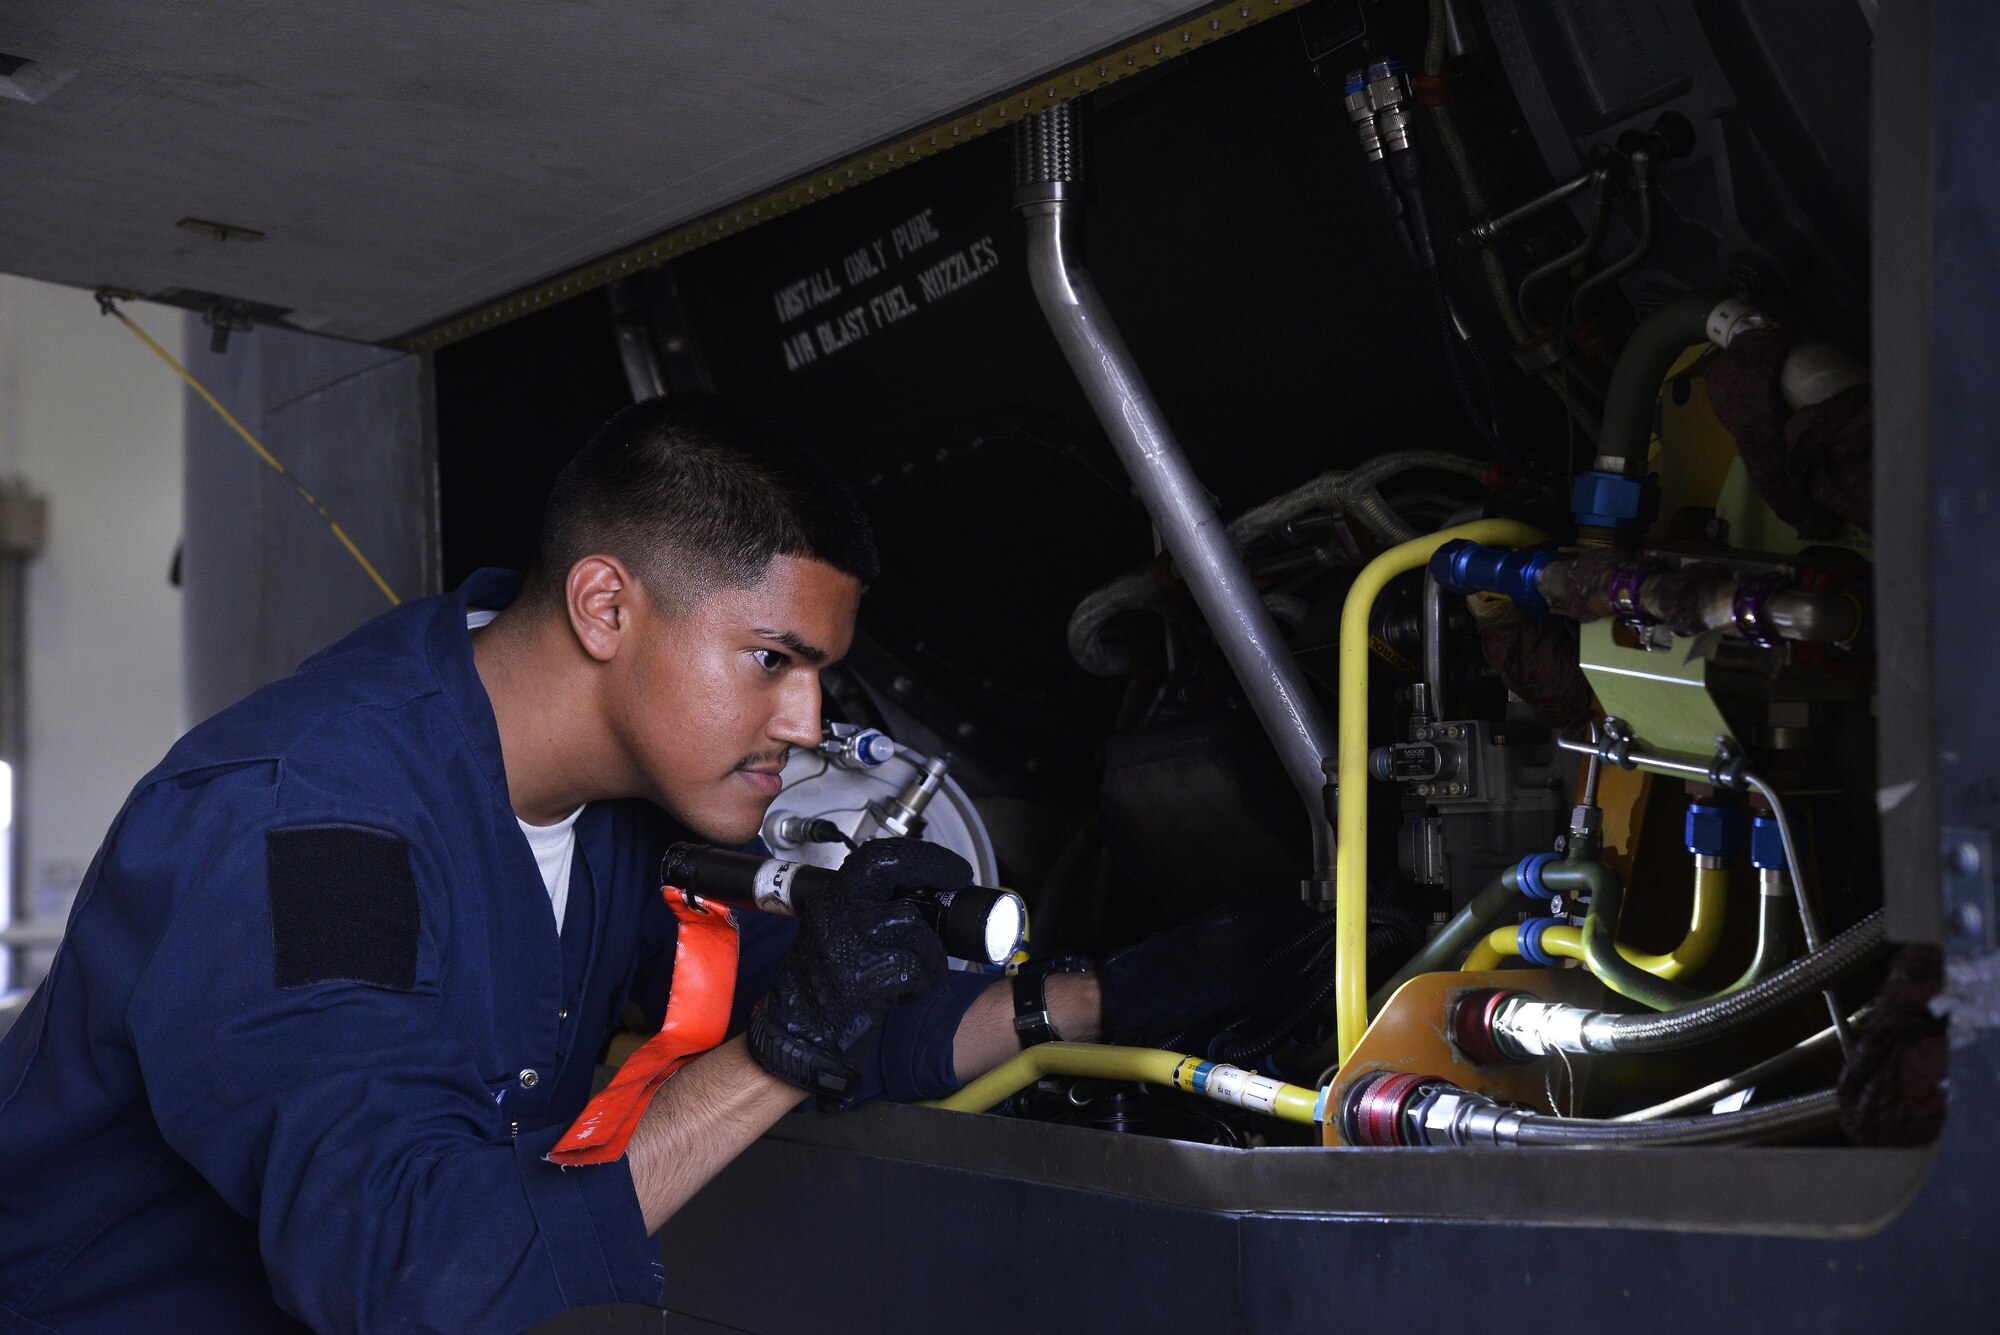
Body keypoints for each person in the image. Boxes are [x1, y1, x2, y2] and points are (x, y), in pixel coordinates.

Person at [0, 395, 1286, 1334]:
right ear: (606, 607)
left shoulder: (607, 814)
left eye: (820, 671)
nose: (804, 719)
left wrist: (1095, 1001)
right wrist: (776, 1056)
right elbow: (409, 1276)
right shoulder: (313, 825)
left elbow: (831, 1023)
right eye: (772, 659)